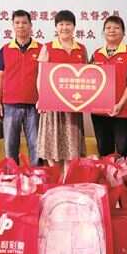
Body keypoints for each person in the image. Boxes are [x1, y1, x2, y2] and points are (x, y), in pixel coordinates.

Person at [37, 10, 87, 174]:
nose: (64, 27)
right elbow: (41, 76)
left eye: (68, 24)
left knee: (72, 148)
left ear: (74, 27)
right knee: (51, 146)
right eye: (61, 24)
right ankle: (55, 179)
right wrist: (42, 99)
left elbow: (87, 75)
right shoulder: (48, 47)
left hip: (73, 106)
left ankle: (67, 179)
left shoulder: (81, 49)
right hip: (52, 105)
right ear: (56, 27)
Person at [0, 10, 42, 165]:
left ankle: (37, 175)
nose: (21, 26)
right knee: (10, 147)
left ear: (31, 25)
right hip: (10, 105)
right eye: (17, 23)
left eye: (24, 23)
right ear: (13, 25)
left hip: (34, 105)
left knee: (36, 146)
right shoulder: (5, 50)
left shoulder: (41, 49)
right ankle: (12, 175)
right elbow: (0, 76)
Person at [90, 15, 127, 156]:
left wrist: (120, 104)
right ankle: (108, 172)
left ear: (124, 32)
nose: (112, 30)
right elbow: (90, 80)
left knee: (125, 150)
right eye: (108, 28)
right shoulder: (96, 54)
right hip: (100, 112)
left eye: (116, 28)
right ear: (103, 32)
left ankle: (126, 173)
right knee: (104, 150)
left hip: (124, 110)